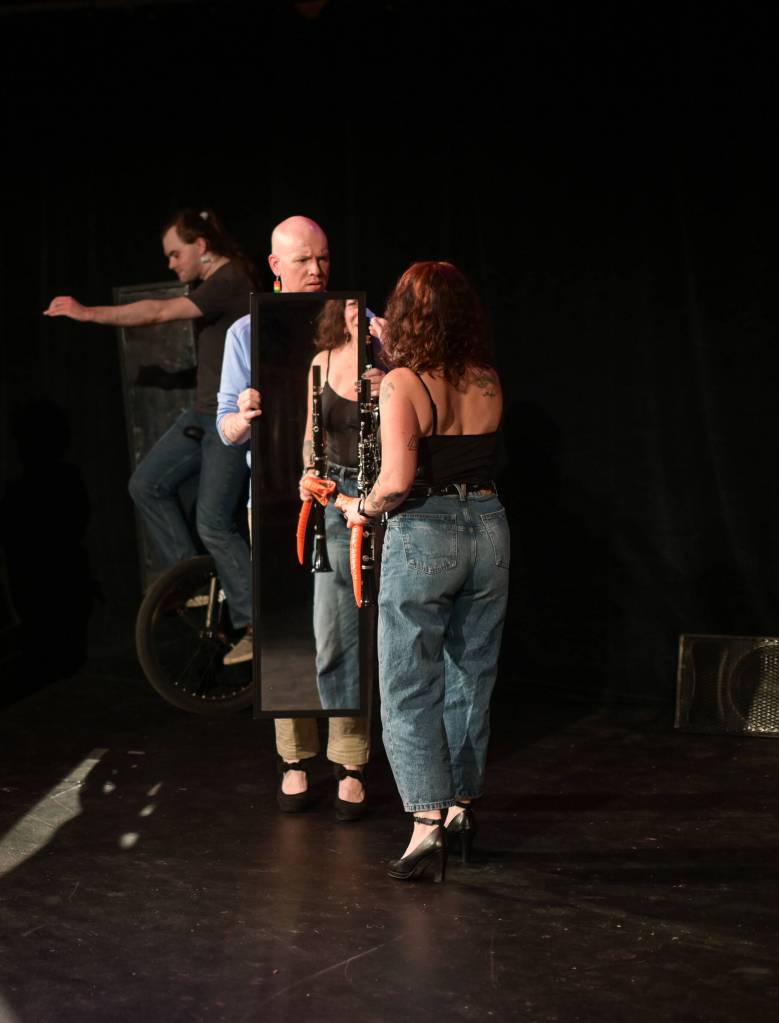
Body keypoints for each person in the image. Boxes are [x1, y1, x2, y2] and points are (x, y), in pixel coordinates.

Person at [337, 261, 509, 883]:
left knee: (408, 682)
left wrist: (357, 507)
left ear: (408, 317)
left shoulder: (402, 383)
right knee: (471, 676)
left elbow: (395, 482)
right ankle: (460, 808)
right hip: (489, 527)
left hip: (425, 530)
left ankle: (425, 823)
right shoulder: (486, 378)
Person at [217, 215, 382, 821]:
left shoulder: (362, 322)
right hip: (276, 500)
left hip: (349, 498)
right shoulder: (245, 332)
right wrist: (243, 415)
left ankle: (350, 761)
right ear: (276, 266)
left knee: (344, 628)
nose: (317, 270)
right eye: (304, 260)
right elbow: (225, 428)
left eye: (324, 258)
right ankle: (293, 759)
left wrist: (388, 370)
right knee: (281, 627)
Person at [44, 209, 259, 663]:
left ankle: (254, 623)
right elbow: (216, 360)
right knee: (146, 484)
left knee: (213, 521)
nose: (171, 263)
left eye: (176, 254)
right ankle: (193, 579)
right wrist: (170, 379)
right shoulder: (212, 285)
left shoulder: (231, 278)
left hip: (229, 419)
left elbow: (159, 312)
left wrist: (87, 313)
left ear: (201, 245)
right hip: (202, 412)